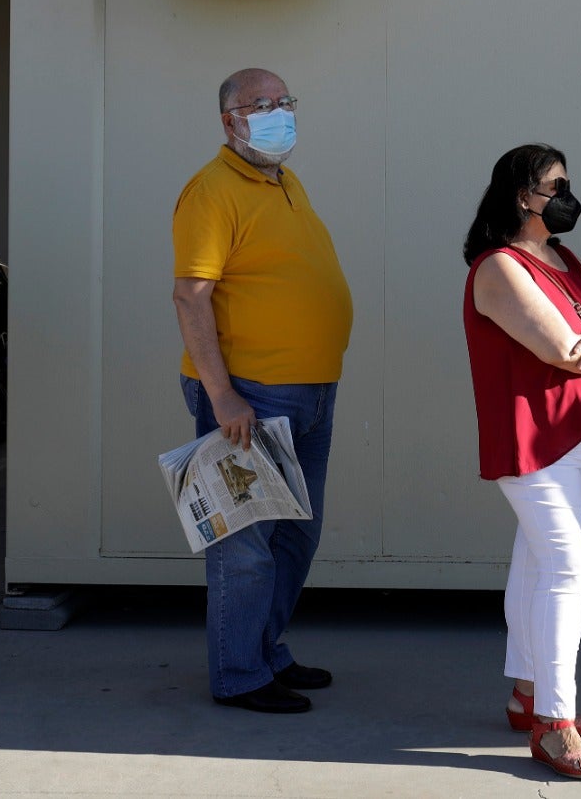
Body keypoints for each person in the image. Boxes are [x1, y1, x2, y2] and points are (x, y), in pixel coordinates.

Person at [172, 68, 354, 713]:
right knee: (243, 542)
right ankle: (240, 675)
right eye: (260, 105)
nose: (277, 113)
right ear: (230, 121)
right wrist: (222, 396)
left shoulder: (282, 180)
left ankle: (266, 648)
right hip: (251, 396)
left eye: (284, 102)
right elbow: (191, 295)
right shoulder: (212, 190)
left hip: (309, 394)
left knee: (295, 534)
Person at [462, 144, 581, 780]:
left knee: (537, 561)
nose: (567, 195)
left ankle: (528, 695)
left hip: (579, 435)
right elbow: (567, 353)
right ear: (521, 197)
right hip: (530, 439)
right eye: (555, 185)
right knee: (566, 564)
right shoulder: (499, 269)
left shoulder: (564, 258)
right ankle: (554, 724)